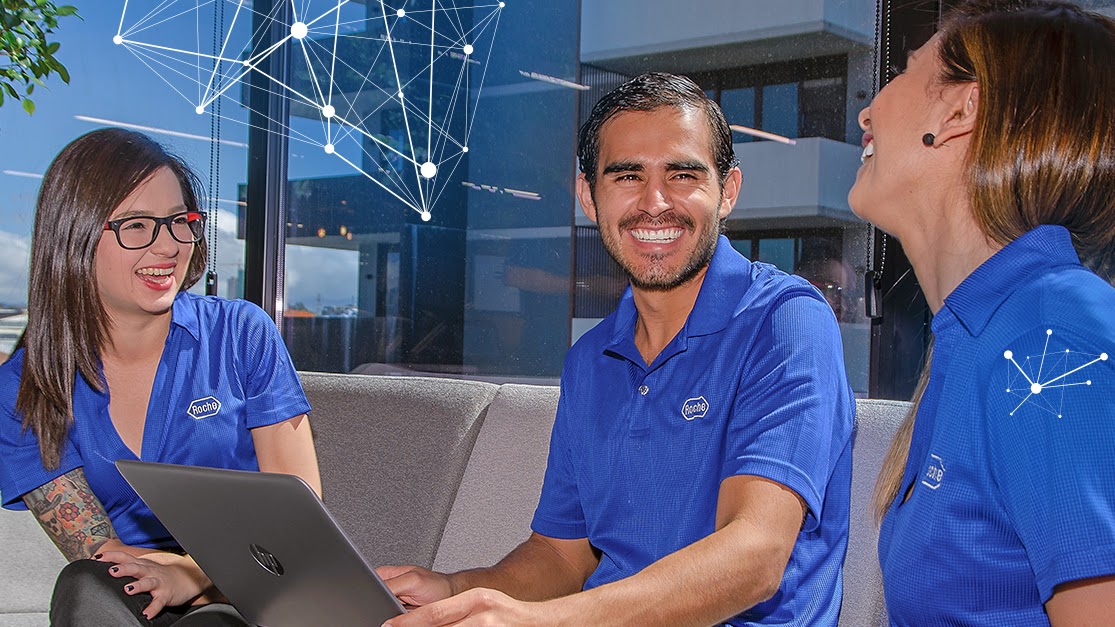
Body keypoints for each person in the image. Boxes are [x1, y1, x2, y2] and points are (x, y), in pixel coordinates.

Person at [379, 72, 854, 626]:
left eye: (682, 175)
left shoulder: (785, 321)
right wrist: (454, 588)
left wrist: (545, 623)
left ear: (728, 191)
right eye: (628, 176)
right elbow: (561, 556)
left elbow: (753, 557)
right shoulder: (591, 359)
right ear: (589, 196)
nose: (655, 203)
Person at [851, 1, 1115, 624]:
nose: (866, 112)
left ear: (958, 112)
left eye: (906, 70)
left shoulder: (1052, 338)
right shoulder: (978, 334)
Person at [0, 128, 322, 626]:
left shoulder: (241, 335)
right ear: (74, 234)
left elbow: (300, 526)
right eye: (136, 226)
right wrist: (167, 576)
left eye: (179, 221)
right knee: (85, 584)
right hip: (135, 603)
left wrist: (192, 574)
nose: (169, 245)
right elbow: (103, 559)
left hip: (254, 597)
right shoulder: (26, 388)